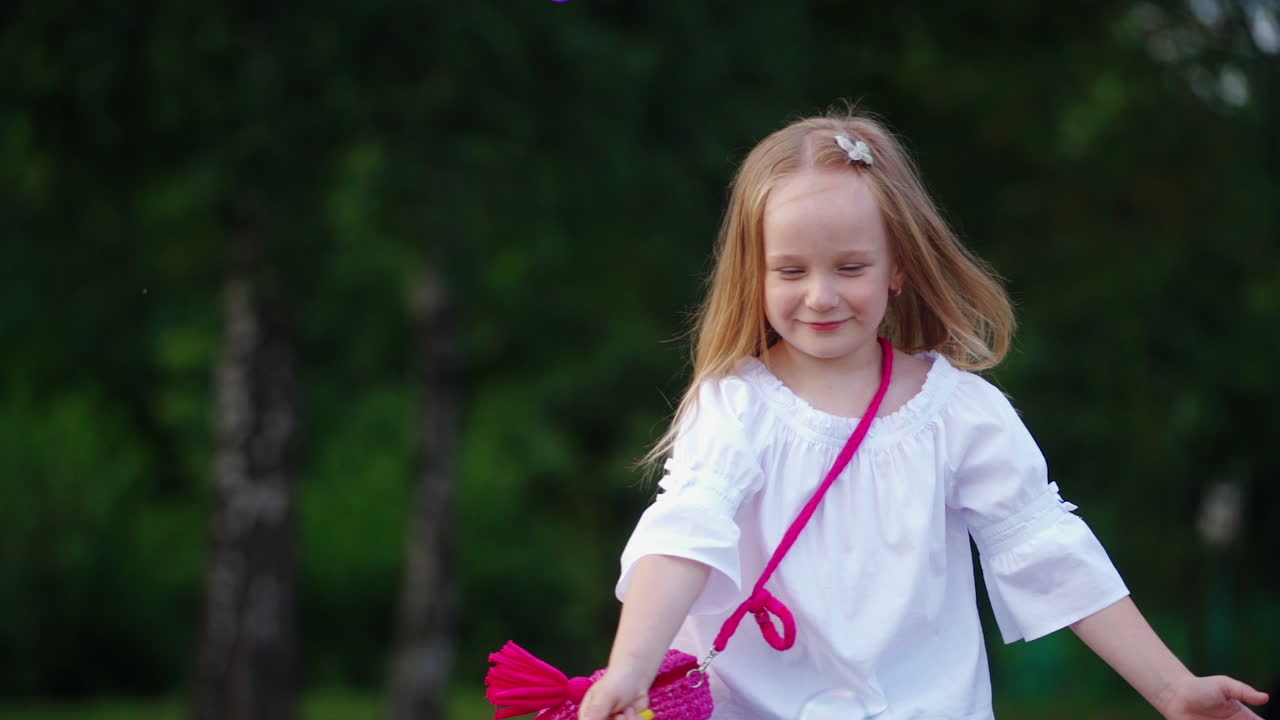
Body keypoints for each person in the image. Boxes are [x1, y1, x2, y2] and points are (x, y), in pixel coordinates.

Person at [577, 111, 1271, 720]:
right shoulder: (735, 406)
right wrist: (631, 669)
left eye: (849, 267)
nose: (820, 296)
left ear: (897, 269)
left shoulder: (960, 414)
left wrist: (1173, 689)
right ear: (753, 274)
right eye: (790, 271)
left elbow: (1048, 551)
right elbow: (684, 539)